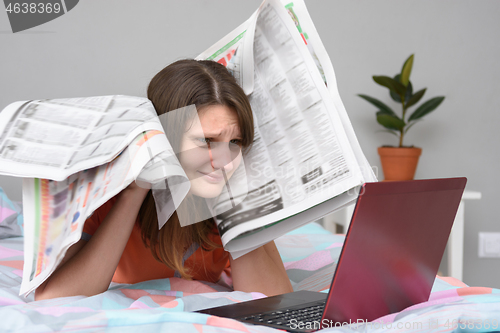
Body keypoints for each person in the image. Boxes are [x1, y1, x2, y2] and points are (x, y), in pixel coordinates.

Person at [35, 59, 293, 301]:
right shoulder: (106, 196)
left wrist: (236, 205)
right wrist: (134, 192)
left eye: (234, 142)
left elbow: (274, 303)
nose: (226, 161)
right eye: (207, 141)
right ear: (166, 137)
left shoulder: (224, 200)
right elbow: (54, 298)